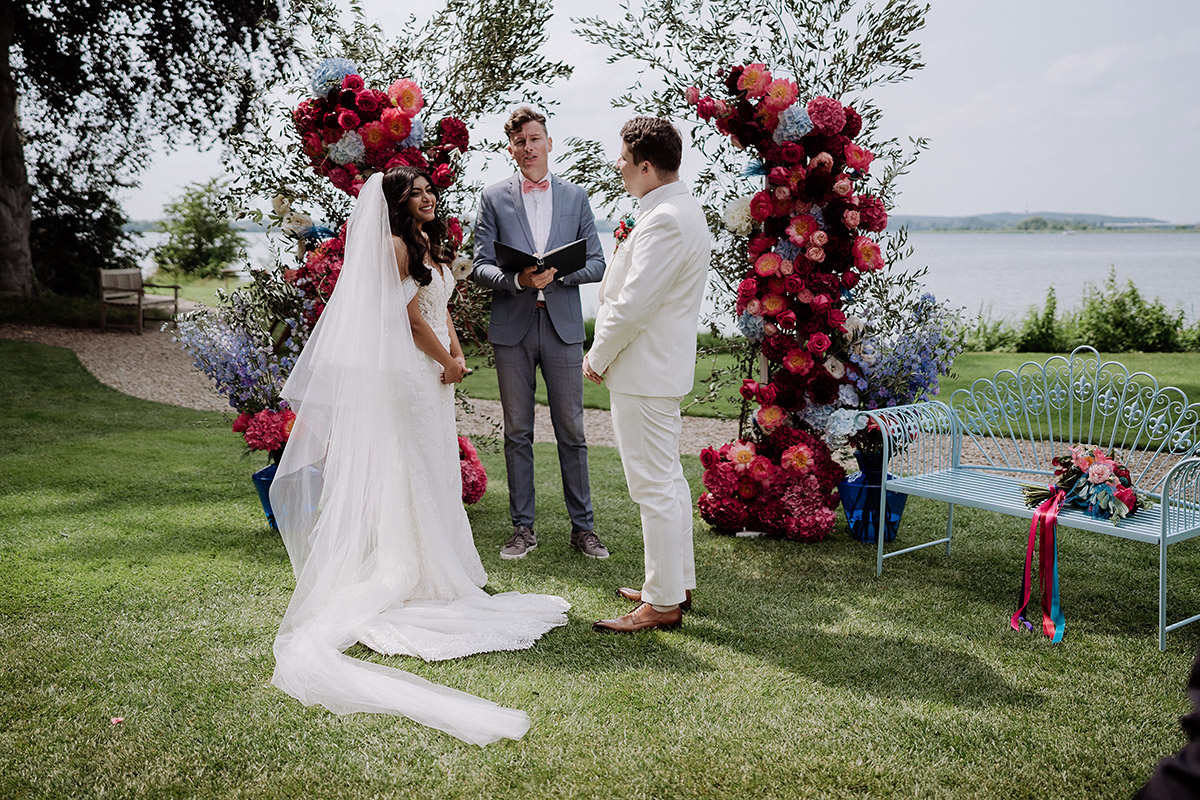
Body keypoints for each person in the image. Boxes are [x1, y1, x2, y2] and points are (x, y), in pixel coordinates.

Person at [269, 167, 569, 746]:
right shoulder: (391, 246)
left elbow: (439, 307)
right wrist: (443, 360)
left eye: (431, 191)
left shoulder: (424, 243)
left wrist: (455, 355)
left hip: (435, 369)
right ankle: (410, 570)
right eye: (418, 194)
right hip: (410, 373)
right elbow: (407, 320)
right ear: (397, 204)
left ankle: (441, 565)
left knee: (433, 470)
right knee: (411, 470)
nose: (430, 198)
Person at [586, 117, 710, 633]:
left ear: (644, 166)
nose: (617, 166)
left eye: (622, 159)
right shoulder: (680, 209)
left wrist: (597, 355)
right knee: (668, 482)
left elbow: (634, 307)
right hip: (659, 368)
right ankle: (671, 583)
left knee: (652, 487)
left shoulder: (663, 219)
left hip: (644, 369)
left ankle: (661, 603)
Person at [470, 106, 609, 561]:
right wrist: (518, 281)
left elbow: (598, 264)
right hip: (513, 327)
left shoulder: (576, 197)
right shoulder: (492, 197)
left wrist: (558, 276)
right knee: (518, 433)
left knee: (572, 429)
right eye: (519, 142)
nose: (527, 148)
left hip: (563, 326)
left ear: (549, 142)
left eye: (534, 139)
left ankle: (583, 529)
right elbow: (479, 266)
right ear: (510, 149)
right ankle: (522, 529)